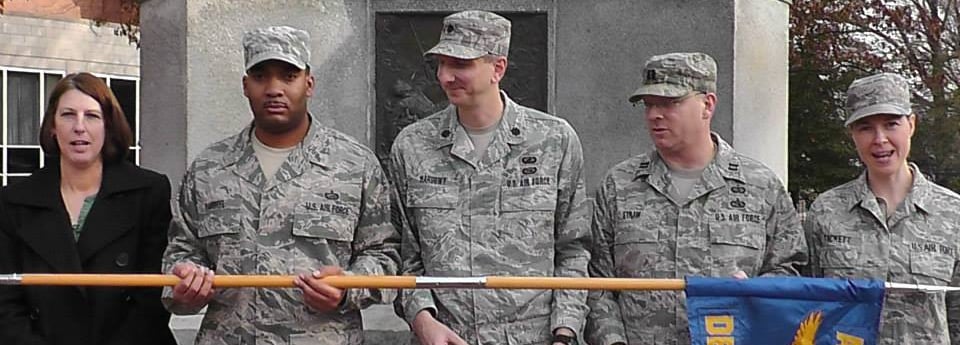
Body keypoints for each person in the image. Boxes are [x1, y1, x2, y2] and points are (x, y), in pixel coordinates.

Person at [161, 26, 400, 345]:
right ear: (246, 86)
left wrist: (349, 287)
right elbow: (182, 251)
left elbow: (385, 253)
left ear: (309, 84)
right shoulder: (209, 168)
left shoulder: (355, 166)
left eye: (288, 76)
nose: (274, 89)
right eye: (261, 77)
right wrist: (187, 287)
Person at [390, 10, 591, 345]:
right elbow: (404, 252)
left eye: (461, 65)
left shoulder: (554, 141)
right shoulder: (413, 146)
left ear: (498, 68)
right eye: (441, 64)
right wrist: (422, 320)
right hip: (446, 336)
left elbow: (573, 249)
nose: (446, 76)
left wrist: (565, 331)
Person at [585, 52, 808, 345]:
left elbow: (792, 271)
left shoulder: (760, 186)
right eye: (649, 105)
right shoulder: (619, 185)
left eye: (669, 103)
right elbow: (597, 283)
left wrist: (754, 291)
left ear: (707, 104)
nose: (654, 115)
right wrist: (612, 341)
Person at [0, 72, 176, 345]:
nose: (79, 127)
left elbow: (152, 299)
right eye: (68, 115)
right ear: (52, 127)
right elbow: (6, 303)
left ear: (108, 126)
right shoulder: (13, 201)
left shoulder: (149, 192)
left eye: (92, 116)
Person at [804, 72, 960, 344]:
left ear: (911, 125)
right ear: (852, 134)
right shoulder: (826, 212)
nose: (880, 139)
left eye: (891, 124)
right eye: (865, 127)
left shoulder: (953, 214)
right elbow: (809, 307)